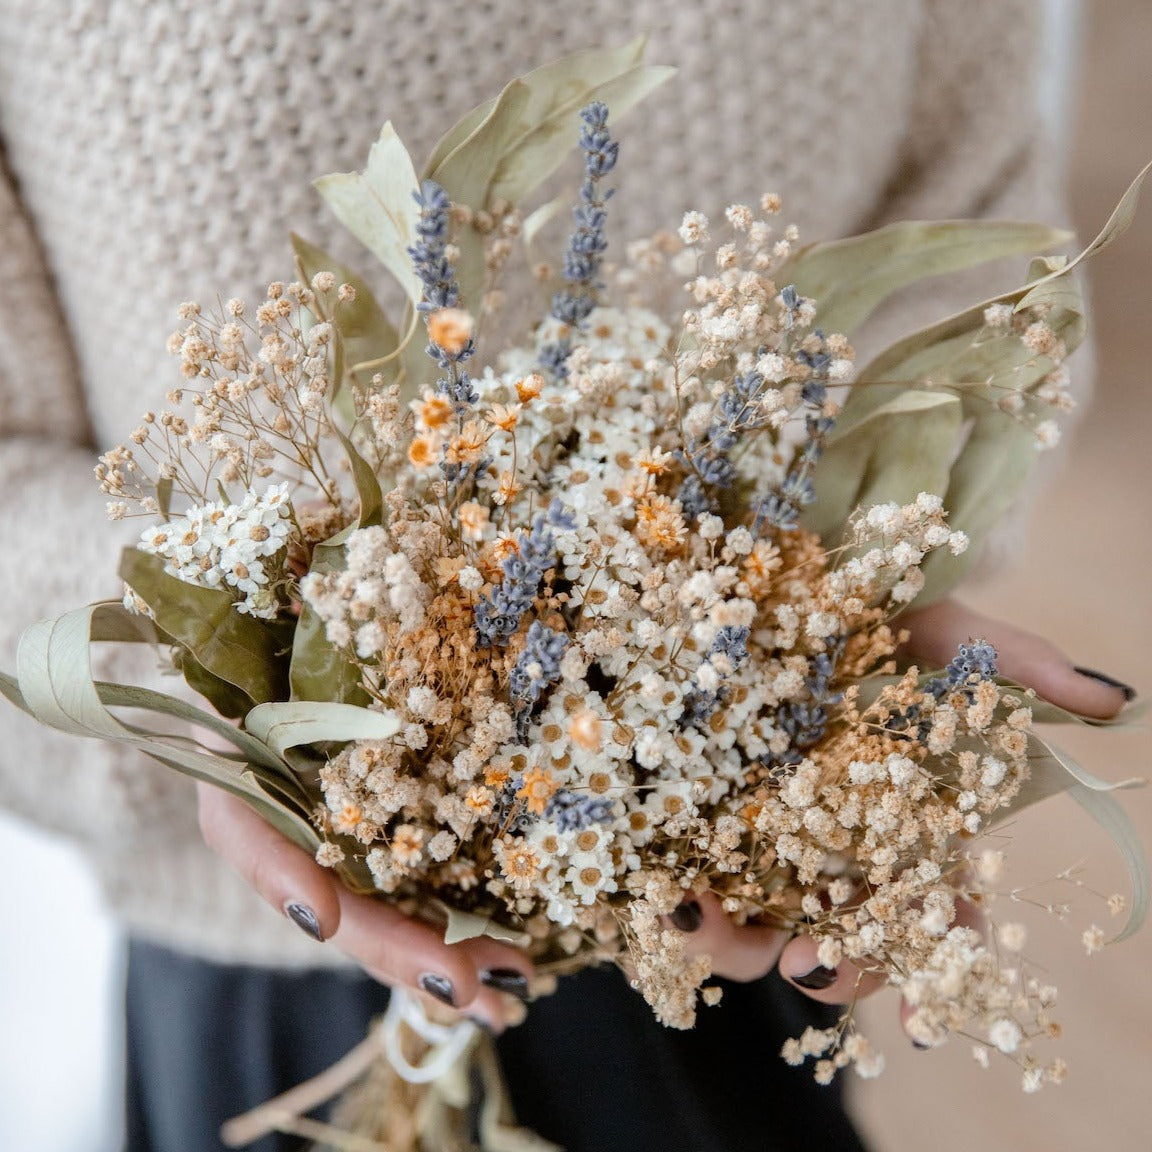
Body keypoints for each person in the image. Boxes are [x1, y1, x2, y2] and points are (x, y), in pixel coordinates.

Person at [0, 2, 1133, 1149]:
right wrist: (220, 680)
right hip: (273, 980)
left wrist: (836, 591)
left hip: (720, 887)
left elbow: (988, 246)